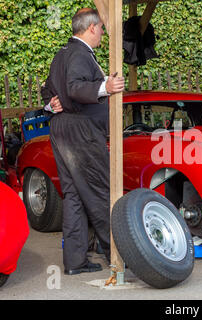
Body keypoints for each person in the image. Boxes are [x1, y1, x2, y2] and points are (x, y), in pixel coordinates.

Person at [41, 8, 124, 275]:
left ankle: (75, 262)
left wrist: (51, 105)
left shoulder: (61, 55)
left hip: (62, 129)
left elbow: (47, 89)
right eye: (100, 27)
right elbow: (76, 88)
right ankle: (119, 255)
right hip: (81, 132)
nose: (102, 32)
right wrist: (105, 88)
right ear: (90, 28)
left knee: (74, 195)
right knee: (101, 190)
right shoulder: (79, 54)